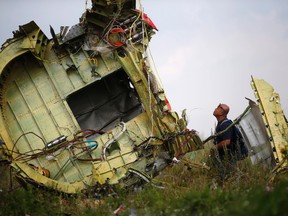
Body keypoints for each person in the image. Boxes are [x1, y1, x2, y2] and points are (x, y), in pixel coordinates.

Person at [209, 103, 237, 180]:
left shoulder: (225, 124)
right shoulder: (220, 123)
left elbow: (227, 141)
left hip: (228, 157)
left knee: (226, 177)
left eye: (219, 107)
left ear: (222, 112)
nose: (216, 108)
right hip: (224, 157)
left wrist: (215, 147)